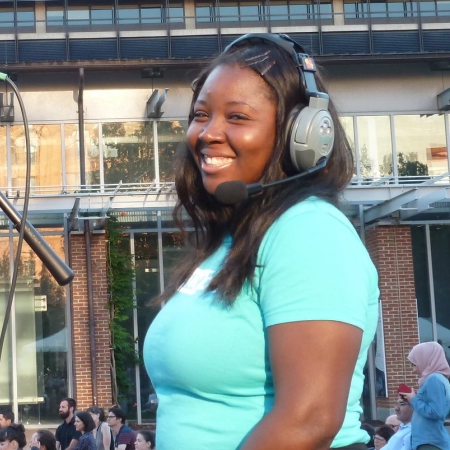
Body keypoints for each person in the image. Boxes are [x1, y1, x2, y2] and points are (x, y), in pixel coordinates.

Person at [143, 32, 379, 450]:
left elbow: (309, 419)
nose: (208, 133)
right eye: (201, 115)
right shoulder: (232, 241)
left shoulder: (310, 231)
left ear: (302, 134)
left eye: (236, 117)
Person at [401, 341, 450, 450]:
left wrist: (414, 399)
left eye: (415, 364)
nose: (414, 370)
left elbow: (436, 412)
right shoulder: (437, 379)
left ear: (426, 359)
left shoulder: (434, 379)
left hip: (430, 442)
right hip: (427, 441)